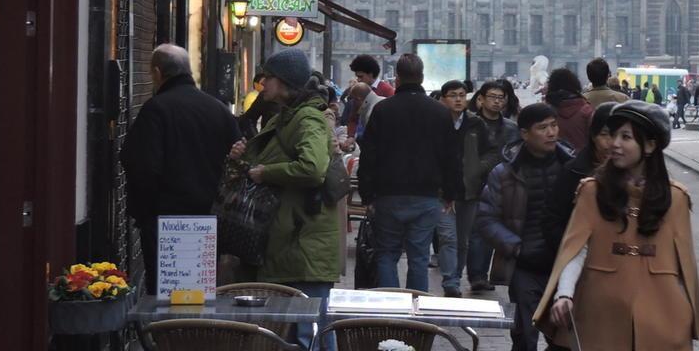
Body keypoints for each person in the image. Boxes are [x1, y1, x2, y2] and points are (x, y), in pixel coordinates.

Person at [535, 101, 699, 349]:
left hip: (661, 311)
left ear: (649, 145)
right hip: (600, 310)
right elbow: (576, 249)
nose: (614, 144)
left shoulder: (676, 198)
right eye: (613, 135)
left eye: (625, 137)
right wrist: (564, 294)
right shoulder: (591, 190)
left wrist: (686, 314)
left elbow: (684, 266)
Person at [226, 49, 339, 347]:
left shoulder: (306, 119)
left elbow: (313, 168)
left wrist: (267, 173)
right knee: (301, 327)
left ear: (284, 81)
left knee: (310, 330)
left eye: (267, 78)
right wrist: (243, 160)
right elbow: (263, 163)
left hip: (305, 239)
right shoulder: (287, 117)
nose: (262, 84)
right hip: (292, 236)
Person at [120, 44, 240, 294]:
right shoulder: (218, 110)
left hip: (165, 221)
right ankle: (198, 333)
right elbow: (236, 162)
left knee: (167, 293)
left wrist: (145, 213)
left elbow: (143, 166)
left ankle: (169, 334)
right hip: (208, 221)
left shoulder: (156, 110)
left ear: (157, 72)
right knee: (201, 290)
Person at [355, 53, 462, 292]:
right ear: (422, 77)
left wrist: (367, 194)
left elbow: (369, 155)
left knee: (387, 254)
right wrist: (451, 193)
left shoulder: (383, 110)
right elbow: (451, 157)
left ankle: (390, 310)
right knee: (419, 258)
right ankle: (415, 316)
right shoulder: (440, 112)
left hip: (388, 194)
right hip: (426, 196)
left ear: (398, 78)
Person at [476, 103, 574, 351]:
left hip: (565, 265)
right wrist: (518, 249)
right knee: (523, 336)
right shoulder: (505, 172)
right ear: (524, 133)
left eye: (554, 125)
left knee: (564, 337)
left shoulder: (572, 168)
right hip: (524, 266)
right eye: (542, 128)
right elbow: (487, 219)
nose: (551, 132)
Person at [436, 80, 495, 297]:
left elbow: (491, 152)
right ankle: (450, 281)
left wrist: (479, 168)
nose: (459, 99)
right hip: (441, 192)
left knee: (462, 240)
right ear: (444, 99)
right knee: (447, 236)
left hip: (469, 190)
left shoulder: (475, 123)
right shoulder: (437, 122)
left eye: (462, 95)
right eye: (453, 95)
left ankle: (456, 274)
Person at [466, 80, 520, 292]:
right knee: (476, 232)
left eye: (501, 98)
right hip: (474, 184)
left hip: (502, 185)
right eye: (493, 97)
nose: (497, 102)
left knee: (491, 231)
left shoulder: (511, 128)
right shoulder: (471, 123)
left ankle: (485, 274)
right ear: (481, 98)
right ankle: (476, 275)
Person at [544, 101, 617, 251]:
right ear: (592, 136)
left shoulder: (635, 175)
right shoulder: (573, 172)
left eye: (622, 135)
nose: (613, 143)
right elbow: (552, 221)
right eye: (604, 134)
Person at [544, 67, 594, 152]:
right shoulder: (588, 111)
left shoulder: (544, 112)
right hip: (582, 162)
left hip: (553, 162)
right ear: (575, 85)